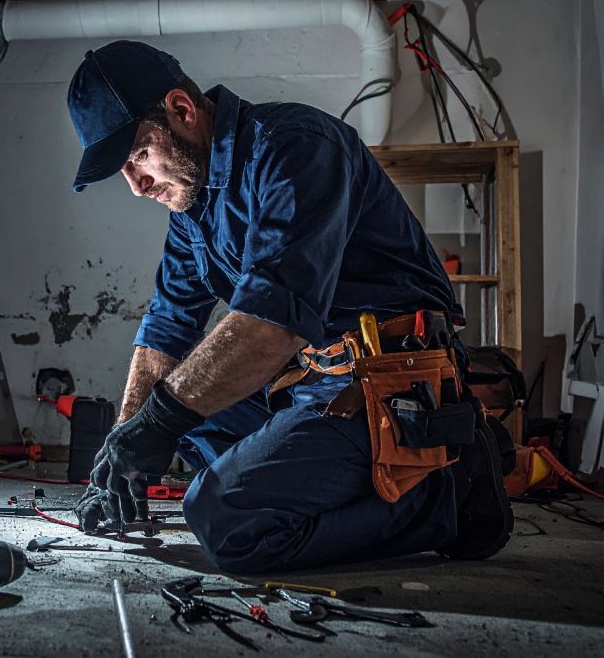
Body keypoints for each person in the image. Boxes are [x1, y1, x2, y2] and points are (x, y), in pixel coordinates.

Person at [66, 40, 513, 573]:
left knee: (222, 520)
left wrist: (154, 425)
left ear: (182, 110)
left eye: (139, 156)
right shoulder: (194, 203)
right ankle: (336, 487)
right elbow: (165, 326)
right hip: (312, 383)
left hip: (388, 379)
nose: (137, 187)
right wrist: (123, 449)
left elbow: (273, 321)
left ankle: (445, 496)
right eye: (124, 171)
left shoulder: (296, 148)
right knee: (173, 415)